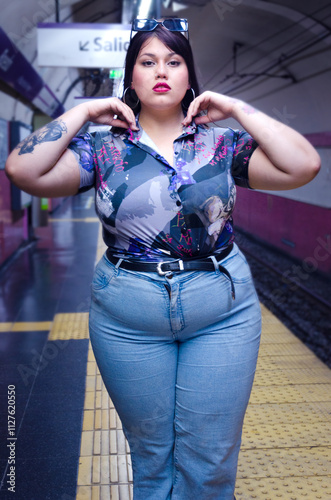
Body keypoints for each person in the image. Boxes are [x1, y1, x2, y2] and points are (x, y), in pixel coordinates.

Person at [5, 17, 320, 500]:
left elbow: (303, 165)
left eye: (174, 62)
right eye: (146, 61)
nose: (161, 71)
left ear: (189, 75)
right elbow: (22, 169)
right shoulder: (102, 148)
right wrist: (85, 110)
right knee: (151, 458)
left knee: (210, 462)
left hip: (221, 311)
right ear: (129, 75)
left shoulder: (223, 145)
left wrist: (235, 107)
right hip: (127, 316)